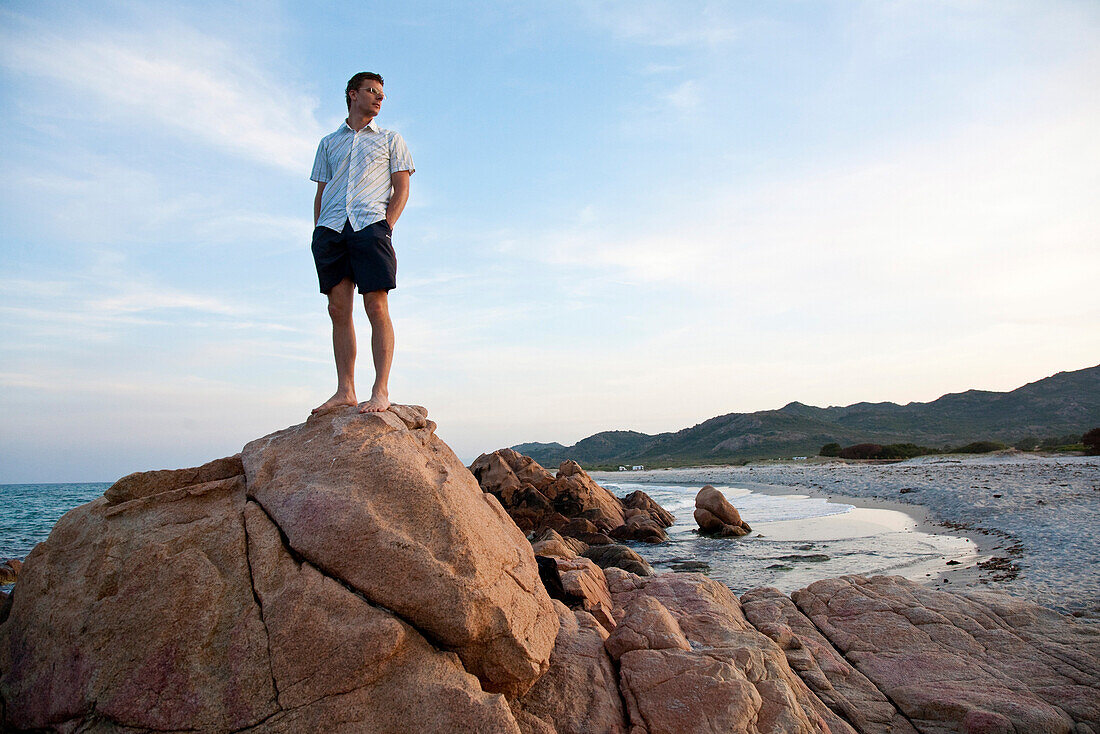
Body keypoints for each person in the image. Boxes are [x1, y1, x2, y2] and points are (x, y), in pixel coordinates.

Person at [309, 72, 414, 414]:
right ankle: (345, 390)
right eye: (372, 91)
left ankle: (380, 390)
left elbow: (402, 188)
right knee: (338, 310)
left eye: (382, 93)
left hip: (371, 225)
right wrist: (318, 230)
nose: (379, 98)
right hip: (332, 229)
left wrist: (387, 225)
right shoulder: (328, 143)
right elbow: (321, 192)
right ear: (353, 95)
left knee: (376, 306)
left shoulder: (390, 140)